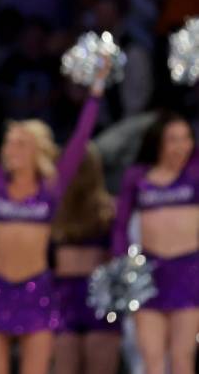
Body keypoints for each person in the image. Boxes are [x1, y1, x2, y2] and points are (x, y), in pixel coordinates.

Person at [0, 74, 104, 374]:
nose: (11, 149)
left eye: (20, 143)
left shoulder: (50, 188)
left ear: (37, 150)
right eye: (9, 143)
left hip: (37, 290)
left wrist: (95, 92)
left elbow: (80, 139)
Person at [112, 112, 198, 374]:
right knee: (152, 359)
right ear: (158, 142)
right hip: (148, 275)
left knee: (182, 358)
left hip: (189, 272)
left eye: (186, 139)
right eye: (173, 139)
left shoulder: (195, 174)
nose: (181, 146)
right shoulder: (137, 177)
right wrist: (123, 266)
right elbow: (119, 226)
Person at [51, 145, 121, 374]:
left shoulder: (108, 209)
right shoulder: (54, 208)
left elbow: (117, 254)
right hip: (64, 294)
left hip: (97, 294)